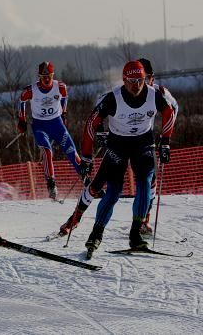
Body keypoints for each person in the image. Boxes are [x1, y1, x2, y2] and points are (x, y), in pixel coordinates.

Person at [57, 57, 179, 237]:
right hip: (119, 140)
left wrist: (165, 140)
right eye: (136, 79)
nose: (143, 83)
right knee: (100, 183)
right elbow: (97, 112)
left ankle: (144, 219)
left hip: (143, 140)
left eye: (147, 78)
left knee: (149, 181)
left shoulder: (159, 92)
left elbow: (173, 110)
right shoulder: (120, 92)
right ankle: (75, 218)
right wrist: (100, 133)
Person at [17, 62, 83, 199]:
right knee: (47, 151)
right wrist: (22, 120)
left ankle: (88, 181)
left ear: (53, 75)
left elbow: (64, 97)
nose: (47, 79)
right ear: (39, 77)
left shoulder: (60, 87)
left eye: (49, 76)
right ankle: (51, 183)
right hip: (40, 126)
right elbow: (21, 100)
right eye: (43, 77)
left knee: (71, 151)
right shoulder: (31, 90)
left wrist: (64, 113)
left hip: (56, 124)